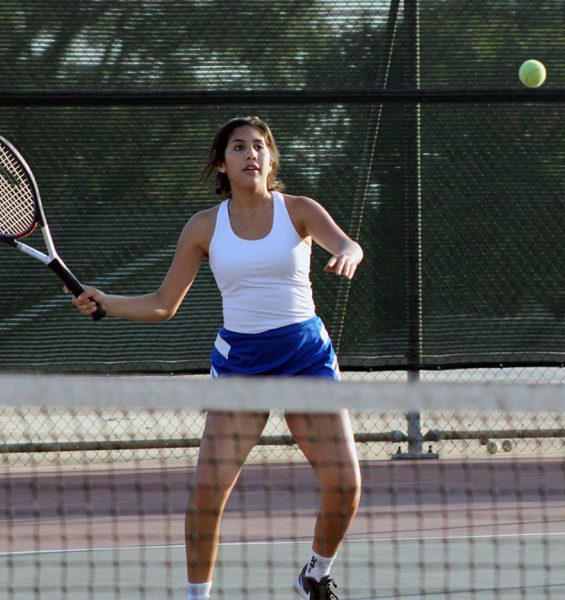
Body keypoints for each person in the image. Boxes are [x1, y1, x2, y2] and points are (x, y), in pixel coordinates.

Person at [69, 116, 364, 600]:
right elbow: (165, 304)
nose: (251, 154)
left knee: (346, 485)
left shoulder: (300, 211)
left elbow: (346, 243)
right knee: (207, 497)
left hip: (306, 360)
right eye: (239, 147)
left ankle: (315, 571)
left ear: (270, 161)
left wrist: (349, 252)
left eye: (259, 147)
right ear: (222, 164)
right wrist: (108, 300)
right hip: (241, 367)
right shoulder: (204, 227)